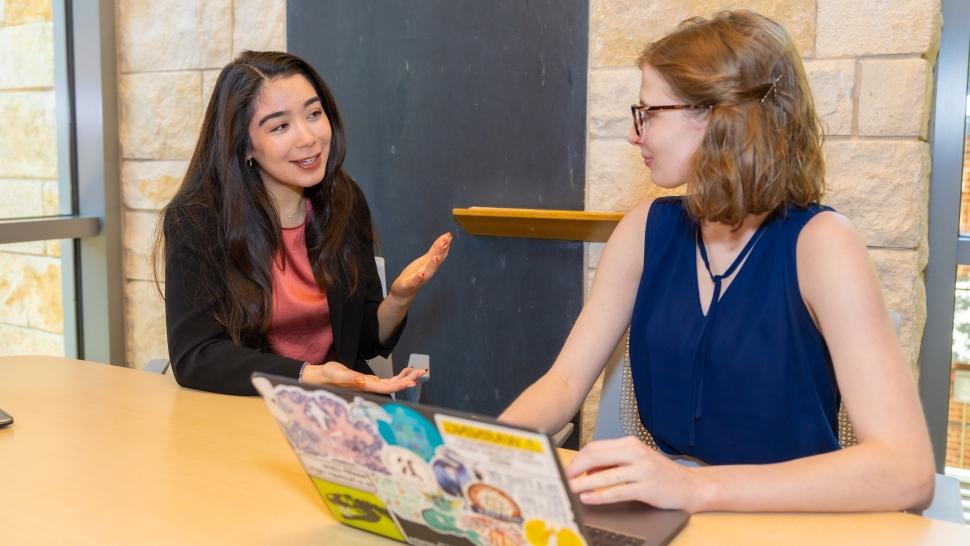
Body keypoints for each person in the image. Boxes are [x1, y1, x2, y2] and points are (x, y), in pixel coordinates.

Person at [500, 11, 934, 513]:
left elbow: (907, 471)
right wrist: (481, 455)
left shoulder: (823, 245)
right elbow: (564, 383)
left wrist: (695, 489)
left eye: (650, 112)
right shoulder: (644, 229)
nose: (634, 134)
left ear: (717, 116)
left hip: (794, 519)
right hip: (671, 516)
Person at [155, 51, 450, 396]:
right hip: (246, 408)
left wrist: (399, 298)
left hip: (338, 409)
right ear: (245, 145)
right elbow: (197, 357)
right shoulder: (197, 220)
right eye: (281, 126)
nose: (308, 138)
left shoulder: (344, 199)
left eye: (313, 113)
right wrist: (308, 374)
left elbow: (365, 343)